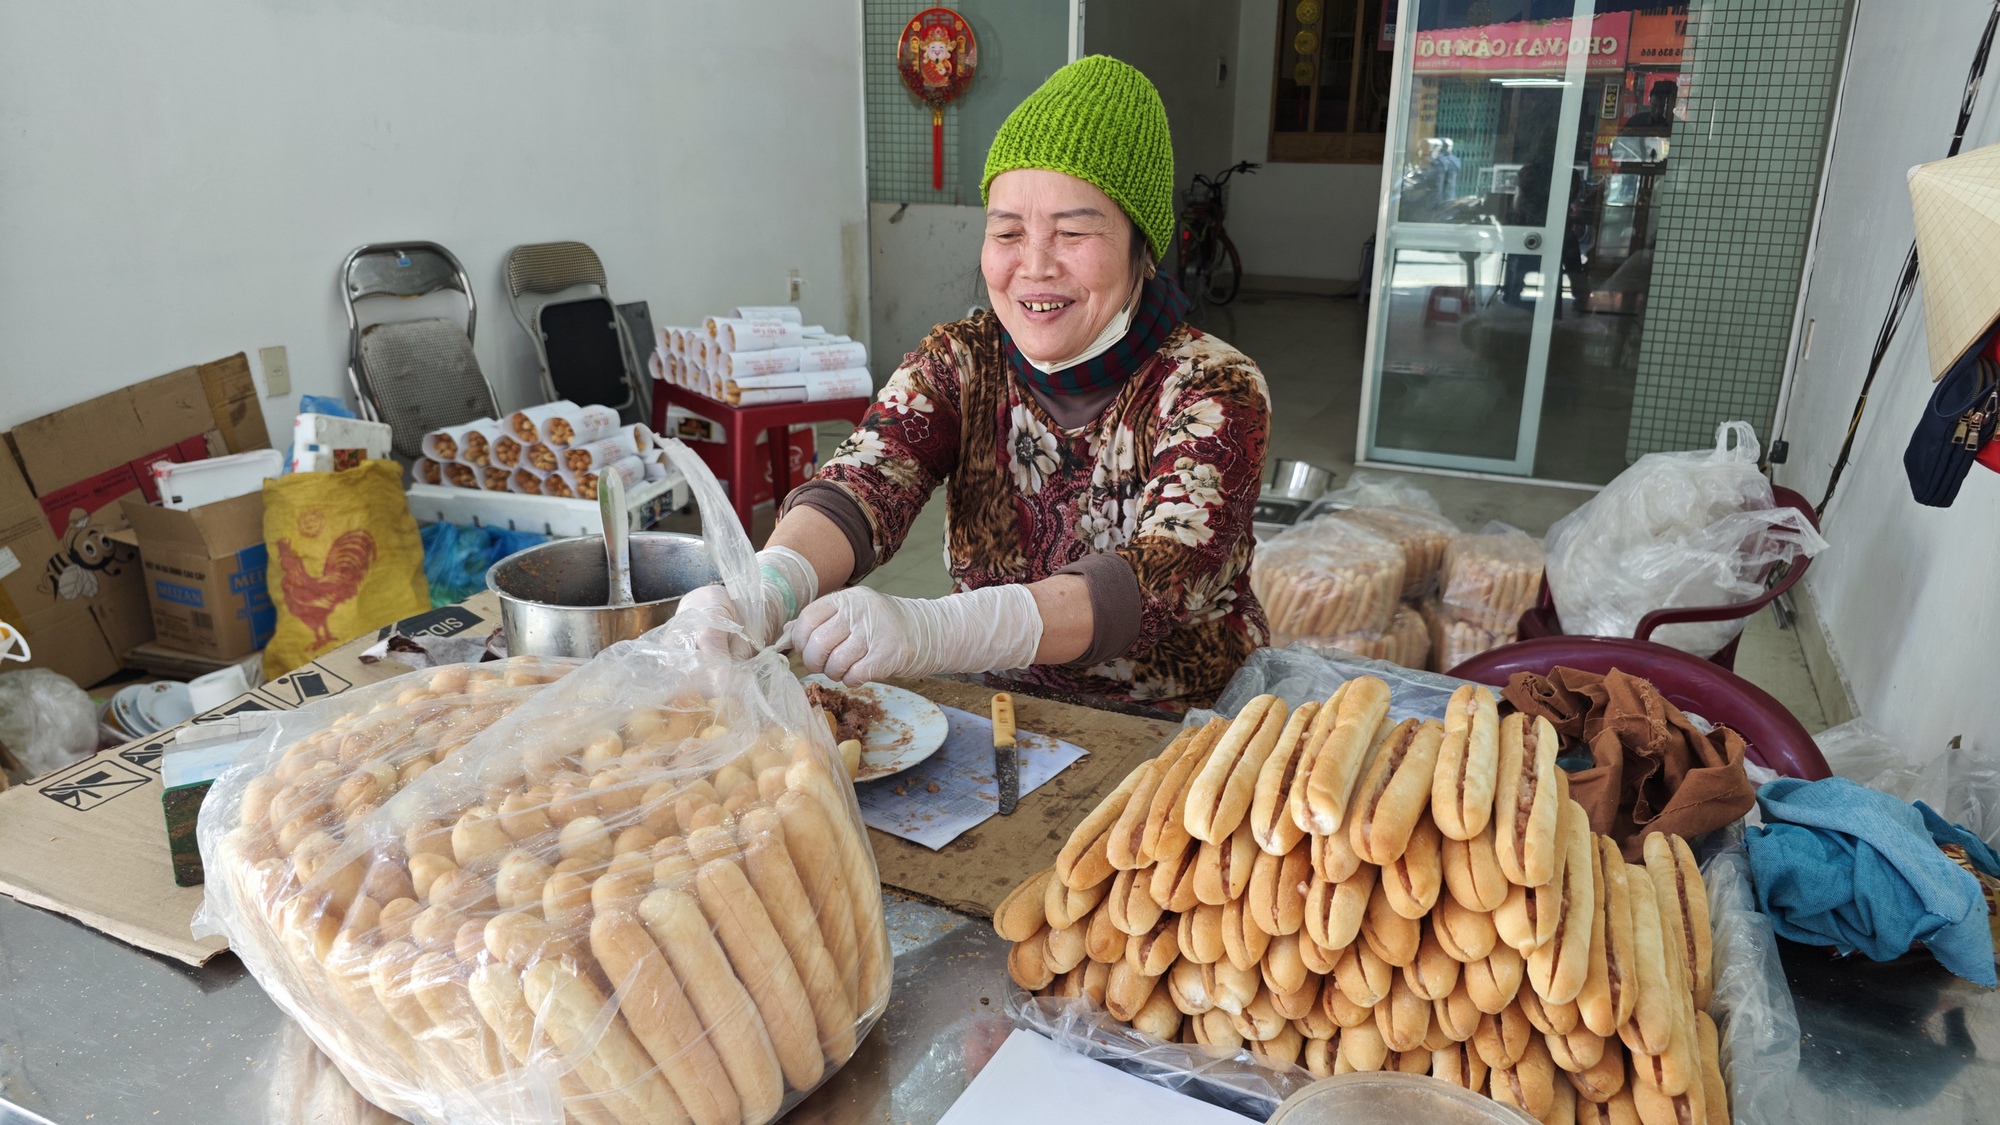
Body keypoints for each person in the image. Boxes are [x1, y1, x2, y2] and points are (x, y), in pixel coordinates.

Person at [679, 56, 1271, 710]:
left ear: (1142, 246)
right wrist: (772, 587)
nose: (1036, 265)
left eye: (1073, 231)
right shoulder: (962, 360)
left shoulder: (1211, 386)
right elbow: (868, 478)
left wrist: (938, 629)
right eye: (1008, 232)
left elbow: (1160, 575)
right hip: (1001, 709)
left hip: (1180, 729)